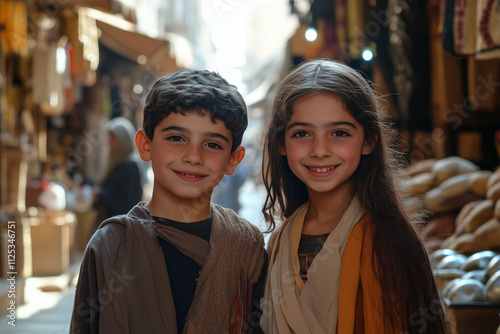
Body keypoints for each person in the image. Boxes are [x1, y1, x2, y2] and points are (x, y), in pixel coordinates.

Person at [259, 59, 450, 334]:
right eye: (302, 133)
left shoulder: (389, 240)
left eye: (339, 133)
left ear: (369, 140)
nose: (320, 150)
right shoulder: (278, 243)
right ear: (281, 144)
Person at [70, 69, 268, 334]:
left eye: (213, 145)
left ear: (233, 159)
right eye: (177, 138)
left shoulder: (246, 245)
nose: (193, 156)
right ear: (145, 145)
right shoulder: (111, 245)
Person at [92, 117, 144, 231]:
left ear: (123, 140)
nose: (109, 142)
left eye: (113, 138)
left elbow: (126, 203)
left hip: (122, 230)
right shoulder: (118, 162)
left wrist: (100, 196)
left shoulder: (131, 166)